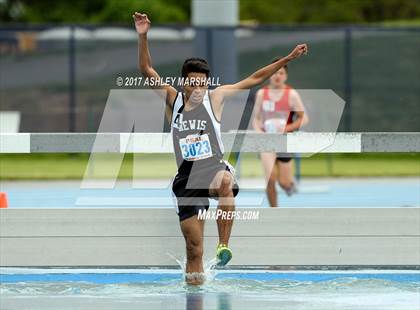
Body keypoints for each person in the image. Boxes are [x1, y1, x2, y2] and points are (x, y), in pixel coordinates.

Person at [133, 12, 308, 285]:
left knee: (225, 180)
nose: (198, 85)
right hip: (186, 178)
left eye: (203, 80)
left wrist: (286, 59)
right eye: (193, 80)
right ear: (184, 82)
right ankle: (196, 293)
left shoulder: (216, 97)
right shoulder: (172, 99)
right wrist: (143, 35)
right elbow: (146, 71)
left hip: (213, 168)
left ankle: (224, 245)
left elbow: (253, 79)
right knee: (193, 249)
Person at [252, 62, 308, 207]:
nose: (277, 76)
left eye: (281, 73)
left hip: (284, 141)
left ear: (286, 76)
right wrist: (259, 133)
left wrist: (287, 128)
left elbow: (304, 118)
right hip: (267, 141)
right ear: (270, 74)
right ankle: (274, 210)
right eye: (275, 72)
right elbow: (256, 119)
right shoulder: (261, 94)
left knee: (283, 182)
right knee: (270, 178)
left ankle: (289, 184)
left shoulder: (292, 95)